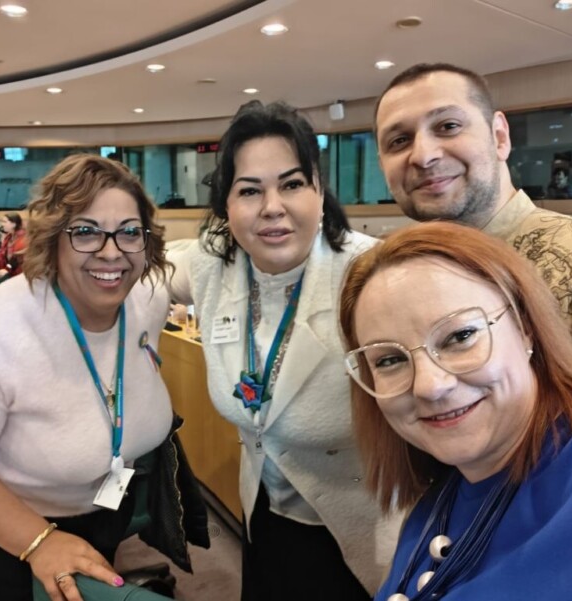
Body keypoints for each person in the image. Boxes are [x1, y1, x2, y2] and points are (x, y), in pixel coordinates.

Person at [0, 154, 200, 601]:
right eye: (85, 232)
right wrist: (39, 541)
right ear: (52, 241)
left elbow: (216, 257)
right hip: (6, 534)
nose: (111, 251)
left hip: (101, 510)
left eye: (129, 232)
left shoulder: (145, 297)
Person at [168, 100, 402, 600]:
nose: (272, 206)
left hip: (361, 527)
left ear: (319, 190)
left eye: (292, 184)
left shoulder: (371, 275)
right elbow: (141, 274)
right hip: (264, 514)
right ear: (226, 206)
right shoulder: (215, 263)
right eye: (249, 190)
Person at [339, 221, 572, 600]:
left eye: (460, 336)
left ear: (526, 328)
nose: (430, 385)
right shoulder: (431, 509)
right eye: (389, 360)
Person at [373, 62, 572, 385]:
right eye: (399, 141)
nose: (423, 156)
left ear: (499, 136)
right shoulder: (394, 283)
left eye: (448, 126)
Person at [0, 212, 28, 279]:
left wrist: (7, 269)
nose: (2, 224)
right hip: (9, 272)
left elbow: (17, 259)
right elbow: (1, 253)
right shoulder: (8, 236)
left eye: (4, 222)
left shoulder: (23, 239)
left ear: (14, 224)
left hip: (18, 275)